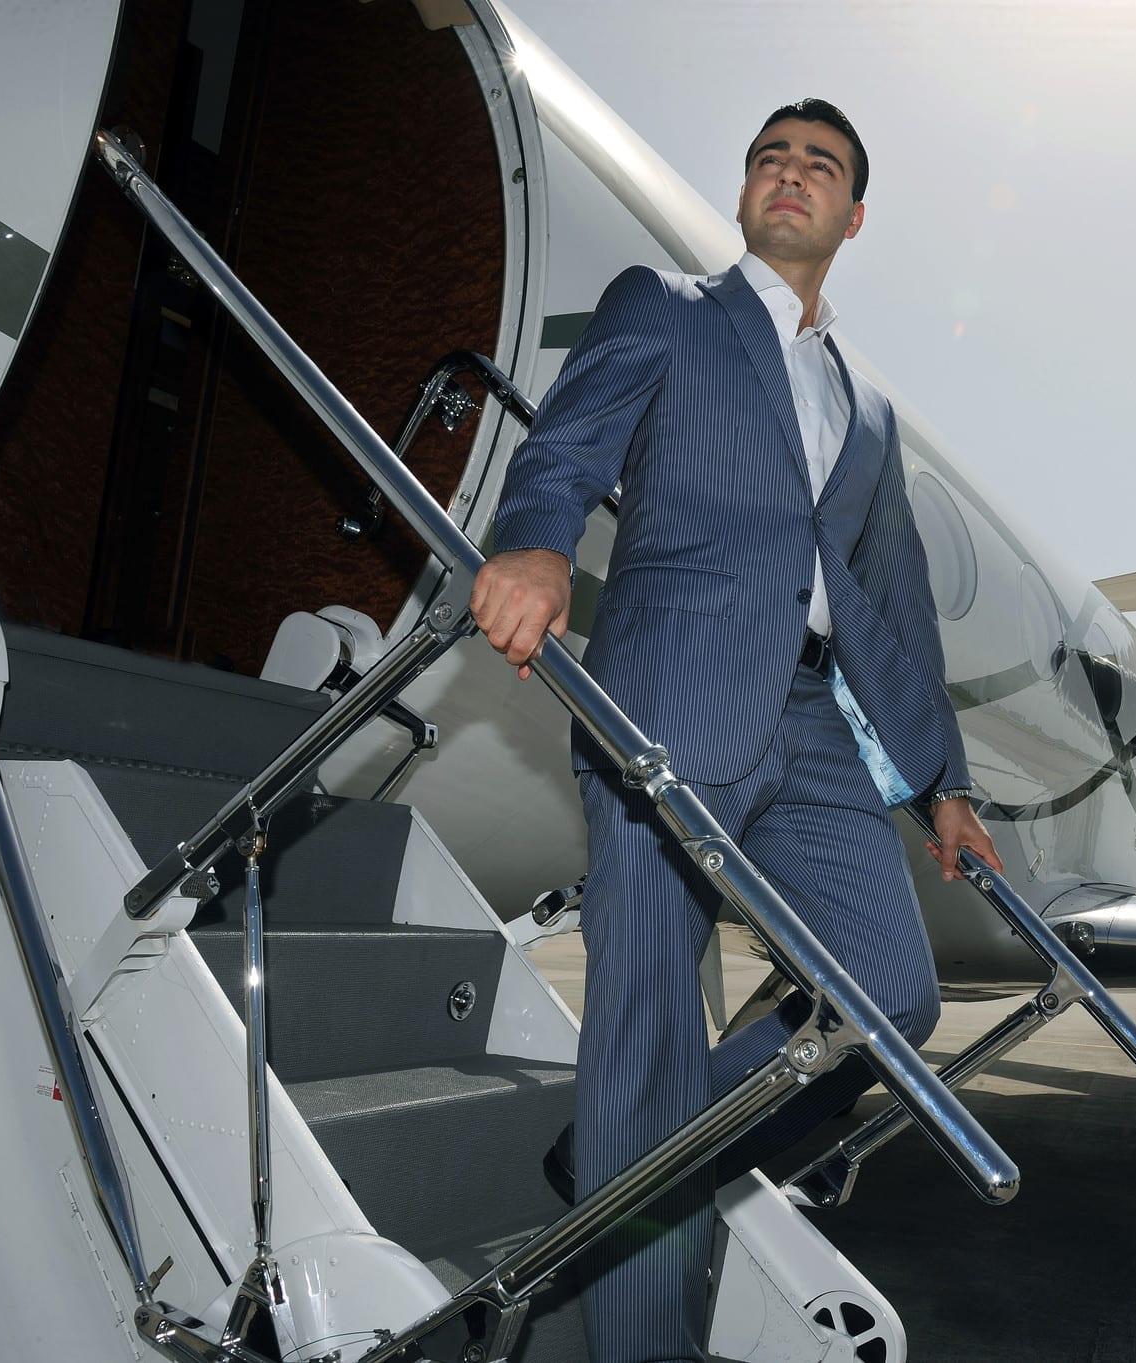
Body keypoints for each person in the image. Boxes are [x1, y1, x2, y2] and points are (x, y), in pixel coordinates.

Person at [471, 97, 1000, 1363]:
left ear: (852, 216)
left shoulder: (868, 409)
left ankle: (619, 1147)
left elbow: (896, 606)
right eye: (770, 158)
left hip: (817, 721)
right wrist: (535, 544)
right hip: (671, 687)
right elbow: (567, 442)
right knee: (646, 1022)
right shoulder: (665, 307)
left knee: (890, 994)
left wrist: (944, 781)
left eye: (819, 165)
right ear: (747, 191)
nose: (789, 174)